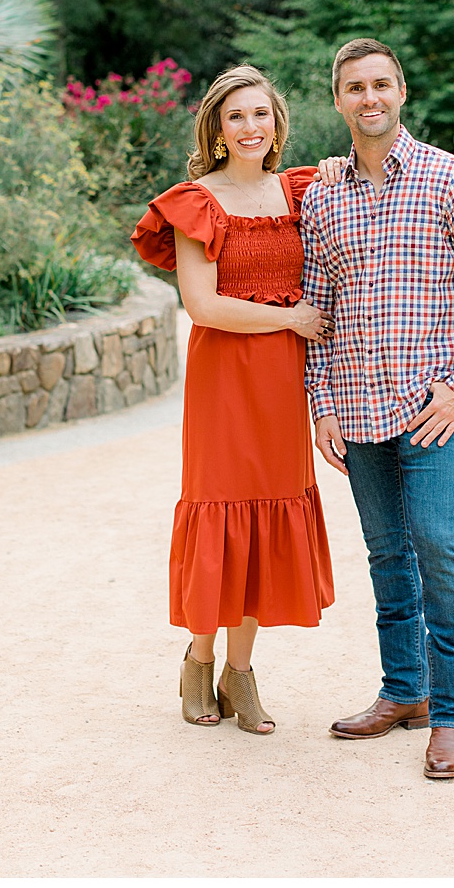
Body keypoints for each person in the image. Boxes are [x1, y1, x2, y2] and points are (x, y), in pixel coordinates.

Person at [299, 37, 454, 781]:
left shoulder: (453, 181)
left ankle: (453, 714)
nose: (370, 98)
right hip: (355, 411)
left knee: (436, 544)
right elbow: (316, 309)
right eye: (354, 86)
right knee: (387, 555)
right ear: (338, 99)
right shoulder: (322, 193)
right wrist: (321, 403)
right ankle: (404, 692)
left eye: (381, 84)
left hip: (432, 410)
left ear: (402, 91)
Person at [132, 64, 337, 735]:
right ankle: (198, 659)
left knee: (267, 521)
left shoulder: (301, 190)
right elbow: (204, 305)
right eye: (236, 117)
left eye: (261, 114)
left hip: (283, 383)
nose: (251, 127)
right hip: (225, 382)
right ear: (217, 130)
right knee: (221, 515)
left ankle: (239, 674)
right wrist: (289, 318)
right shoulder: (197, 202)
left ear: (278, 122)